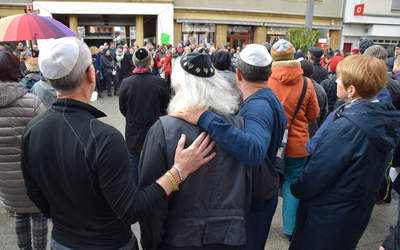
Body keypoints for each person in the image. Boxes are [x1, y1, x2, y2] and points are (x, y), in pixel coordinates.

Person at [21, 37, 215, 250]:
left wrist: (66, 219)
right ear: (90, 74)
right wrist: (178, 171)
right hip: (109, 242)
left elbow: (35, 195)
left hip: (62, 241)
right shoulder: (103, 137)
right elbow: (131, 210)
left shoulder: (33, 130)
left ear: (47, 79)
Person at [172, 44, 287, 250]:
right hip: (263, 189)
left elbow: (254, 151)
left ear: (238, 74)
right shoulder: (266, 98)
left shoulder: (258, 107)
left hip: (258, 196)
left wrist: (204, 117)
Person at [138, 52, 254, 250]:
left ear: (178, 86)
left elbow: (152, 200)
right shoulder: (239, 128)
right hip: (228, 236)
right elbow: (248, 188)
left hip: (179, 238)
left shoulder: (164, 129)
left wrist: (150, 243)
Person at [289, 54, 400, 250]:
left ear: (351, 90)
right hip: (354, 210)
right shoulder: (384, 115)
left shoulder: (347, 128)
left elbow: (318, 173)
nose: (336, 80)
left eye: (340, 78)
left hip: (328, 215)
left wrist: (297, 187)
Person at [268, 39, 319, 238]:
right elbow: (313, 115)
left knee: (268, 182)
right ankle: (289, 229)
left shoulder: (266, 80)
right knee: (291, 183)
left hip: (271, 144)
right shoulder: (306, 82)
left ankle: (263, 223)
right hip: (298, 145)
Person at [0, 50, 48, 250]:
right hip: (33, 175)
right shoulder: (32, 103)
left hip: (5, 177)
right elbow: (47, 137)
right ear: (17, 70)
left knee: (19, 213)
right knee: (38, 213)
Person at [119, 48, 170, 183]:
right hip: (155, 129)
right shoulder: (159, 82)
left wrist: (133, 117)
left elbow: (123, 108)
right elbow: (167, 107)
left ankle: (136, 191)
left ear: (135, 63)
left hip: (134, 129)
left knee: (134, 161)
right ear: (150, 62)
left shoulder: (126, 82)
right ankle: (154, 190)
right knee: (155, 161)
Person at [299, 59, 328, 137]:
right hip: (314, 132)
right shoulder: (320, 90)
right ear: (312, 74)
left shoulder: (294, 89)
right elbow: (324, 114)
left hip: (298, 132)